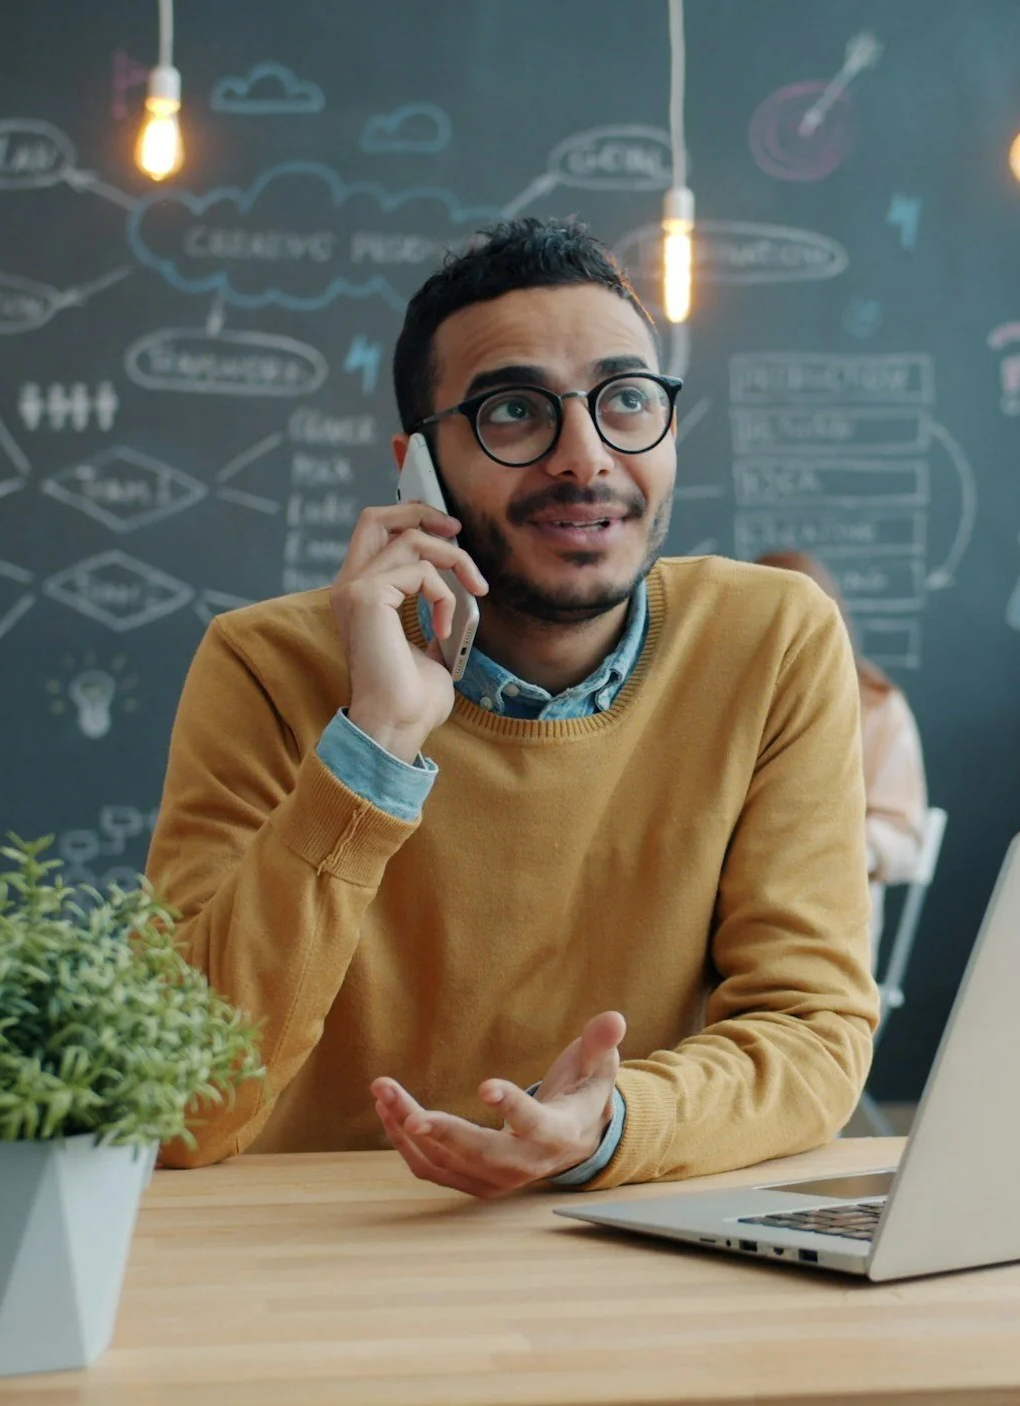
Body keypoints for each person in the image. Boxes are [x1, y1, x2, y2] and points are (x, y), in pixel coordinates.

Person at [147, 218, 879, 1194]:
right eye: (513, 412)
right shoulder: (263, 667)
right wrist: (376, 744)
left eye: (625, 400)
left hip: (621, 1236)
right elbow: (179, 1102)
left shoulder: (771, 639)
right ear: (418, 466)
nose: (585, 458)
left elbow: (812, 1031)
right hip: (314, 1256)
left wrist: (612, 1125)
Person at [754, 552, 930, 886]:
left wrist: (841, 852)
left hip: (832, 897)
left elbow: (904, 834)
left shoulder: (877, 706)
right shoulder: (723, 700)